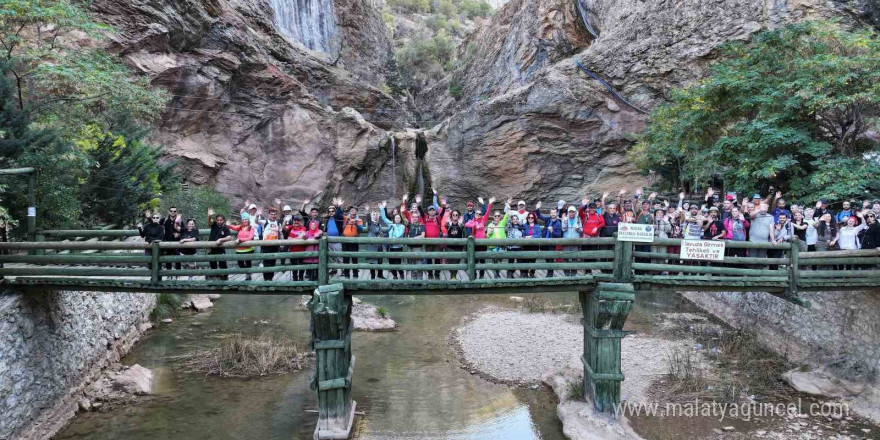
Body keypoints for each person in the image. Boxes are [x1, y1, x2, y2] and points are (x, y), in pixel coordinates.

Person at [465, 198, 494, 279]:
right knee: (474, 260)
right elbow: (466, 224)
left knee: (482, 260)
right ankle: (474, 274)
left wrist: (489, 204)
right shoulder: (472, 220)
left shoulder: (483, 220)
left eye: (480, 214)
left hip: (482, 243)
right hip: (474, 243)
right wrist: (474, 225)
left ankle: (481, 275)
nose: (478, 215)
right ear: (475, 214)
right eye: (477, 213)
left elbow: (487, 212)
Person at [535, 201, 562, 277]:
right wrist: (537, 209)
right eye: (552, 213)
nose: (553, 214)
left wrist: (552, 231)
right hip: (544, 242)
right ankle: (549, 272)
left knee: (550, 259)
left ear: (556, 214)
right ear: (550, 214)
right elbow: (540, 216)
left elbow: (559, 235)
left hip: (551, 243)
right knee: (546, 258)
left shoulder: (558, 223)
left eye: (554, 213)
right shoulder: (548, 219)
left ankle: (550, 274)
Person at [380, 202, 407, 280]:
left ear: (400, 219)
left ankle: (401, 274)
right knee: (391, 263)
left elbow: (398, 235)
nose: (397, 219)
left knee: (397, 263)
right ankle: (395, 275)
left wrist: (394, 226)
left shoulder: (402, 226)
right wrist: (382, 208)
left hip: (398, 247)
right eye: (396, 218)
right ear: (394, 219)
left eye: (398, 218)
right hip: (390, 247)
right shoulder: (391, 224)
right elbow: (384, 218)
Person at [259, 203, 284, 281]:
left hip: (275, 245)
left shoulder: (278, 223)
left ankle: (271, 278)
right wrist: (257, 215)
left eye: (274, 214)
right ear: (269, 215)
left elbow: (281, 234)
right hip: (266, 245)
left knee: (273, 262)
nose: (273, 215)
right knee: (266, 262)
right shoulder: (265, 222)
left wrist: (282, 243)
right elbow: (257, 222)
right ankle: (266, 279)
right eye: (272, 214)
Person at [207, 209, 234, 280]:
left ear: (223, 220)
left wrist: (221, 239)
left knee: (223, 263)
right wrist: (209, 215)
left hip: (220, 248)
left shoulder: (225, 228)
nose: (219, 221)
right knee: (212, 263)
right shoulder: (214, 224)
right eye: (218, 220)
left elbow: (229, 237)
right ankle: (214, 277)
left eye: (221, 220)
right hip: (212, 248)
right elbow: (209, 222)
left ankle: (224, 277)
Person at [362, 205, 385, 280]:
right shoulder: (370, 224)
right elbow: (368, 220)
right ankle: (372, 276)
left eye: (377, 215)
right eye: (374, 215)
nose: (375, 216)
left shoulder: (380, 225)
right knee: (372, 262)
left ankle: (380, 274)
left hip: (379, 245)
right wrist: (368, 212)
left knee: (380, 261)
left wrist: (381, 236)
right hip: (372, 246)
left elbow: (381, 233)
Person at [341, 205, 364, 279]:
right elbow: (342, 227)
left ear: (356, 212)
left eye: (354, 211)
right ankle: (346, 275)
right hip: (345, 240)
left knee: (354, 258)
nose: (353, 212)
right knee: (345, 258)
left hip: (354, 240)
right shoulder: (345, 218)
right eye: (351, 211)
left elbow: (361, 230)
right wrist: (347, 221)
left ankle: (355, 275)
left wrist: (356, 223)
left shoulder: (359, 220)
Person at [444, 209, 467, 280]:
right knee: (450, 262)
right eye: (453, 215)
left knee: (456, 262)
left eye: (456, 215)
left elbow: (463, 227)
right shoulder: (449, 224)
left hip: (458, 247)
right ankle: (452, 275)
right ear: (451, 216)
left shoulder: (460, 224)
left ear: (458, 216)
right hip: (449, 247)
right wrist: (447, 221)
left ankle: (453, 276)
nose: (455, 216)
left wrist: (461, 222)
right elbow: (445, 225)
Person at [284, 215, 308, 281]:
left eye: (298, 220)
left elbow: (302, 235)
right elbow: (283, 227)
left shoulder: (303, 228)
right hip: (293, 250)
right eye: (295, 220)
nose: (296, 222)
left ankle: (300, 277)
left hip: (301, 250)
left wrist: (292, 239)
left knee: (302, 265)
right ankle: (295, 278)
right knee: (294, 265)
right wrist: (285, 220)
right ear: (293, 221)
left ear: (300, 222)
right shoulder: (291, 227)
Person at [561, 205, 583, 276]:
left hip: (575, 241)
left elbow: (581, 230)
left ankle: (573, 273)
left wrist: (577, 229)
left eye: (573, 212)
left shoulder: (578, 219)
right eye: (570, 212)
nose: (571, 213)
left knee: (574, 258)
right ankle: (566, 274)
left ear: (575, 212)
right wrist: (565, 222)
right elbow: (563, 229)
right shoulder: (565, 219)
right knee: (565, 259)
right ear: (568, 212)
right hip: (566, 241)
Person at [521, 212, 542, 278]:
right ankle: (525, 273)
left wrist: (531, 236)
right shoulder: (525, 225)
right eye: (529, 217)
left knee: (533, 259)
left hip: (534, 245)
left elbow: (539, 235)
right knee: (526, 259)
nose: (530, 219)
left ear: (534, 218)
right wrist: (524, 236)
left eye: (532, 217)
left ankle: (532, 273)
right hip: (526, 245)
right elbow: (523, 233)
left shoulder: (537, 226)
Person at [406, 210, 426, 279]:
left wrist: (413, 238)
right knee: (412, 263)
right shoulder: (410, 225)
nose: (415, 218)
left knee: (419, 263)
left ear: (418, 218)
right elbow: (403, 218)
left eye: (416, 217)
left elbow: (423, 236)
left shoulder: (422, 226)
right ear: (412, 218)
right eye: (413, 217)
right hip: (410, 247)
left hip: (418, 247)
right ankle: (413, 278)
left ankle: (419, 279)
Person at [161, 207, 182, 271]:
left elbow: (183, 231)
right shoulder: (164, 220)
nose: (173, 212)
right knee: (168, 259)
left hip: (177, 243)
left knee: (178, 259)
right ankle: (168, 274)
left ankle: (178, 274)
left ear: (176, 212)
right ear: (168, 211)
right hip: (167, 243)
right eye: (171, 211)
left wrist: (179, 235)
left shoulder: (180, 220)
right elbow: (156, 224)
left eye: (174, 211)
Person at [505, 214, 524, 278]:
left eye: (516, 219)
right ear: (511, 220)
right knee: (511, 261)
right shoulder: (509, 226)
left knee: (519, 261)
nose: (515, 220)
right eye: (513, 219)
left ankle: (521, 274)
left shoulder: (520, 227)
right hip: (511, 247)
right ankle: (510, 273)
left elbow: (523, 235)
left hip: (519, 247)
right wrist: (509, 216)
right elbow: (507, 222)